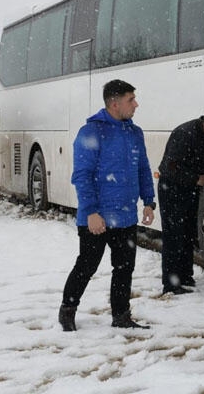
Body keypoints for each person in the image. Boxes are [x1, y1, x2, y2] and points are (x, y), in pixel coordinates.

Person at [58, 79, 156, 331]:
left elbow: (143, 168)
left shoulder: (135, 132)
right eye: (130, 100)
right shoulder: (91, 132)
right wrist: (90, 212)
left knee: (124, 268)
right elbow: (82, 175)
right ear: (114, 104)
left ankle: (121, 315)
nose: (136, 104)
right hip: (97, 216)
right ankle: (67, 311)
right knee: (87, 265)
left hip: (125, 216)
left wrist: (149, 201)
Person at [157, 115, 204, 295]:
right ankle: (170, 283)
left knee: (187, 234)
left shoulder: (201, 134)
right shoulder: (185, 134)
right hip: (172, 189)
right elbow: (169, 168)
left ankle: (185, 276)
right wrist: (196, 178)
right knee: (173, 235)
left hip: (188, 189)